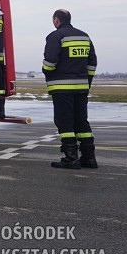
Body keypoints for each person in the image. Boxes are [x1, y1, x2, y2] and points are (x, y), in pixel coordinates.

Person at [44, 9, 98, 169]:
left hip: (62, 88)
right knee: (81, 121)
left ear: (56, 20)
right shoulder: (84, 36)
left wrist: (46, 72)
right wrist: (86, 82)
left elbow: (50, 62)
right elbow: (92, 63)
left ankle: (71, 158)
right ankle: (89, 158)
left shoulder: (56, 36)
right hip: (81, 87)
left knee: (64, 121)